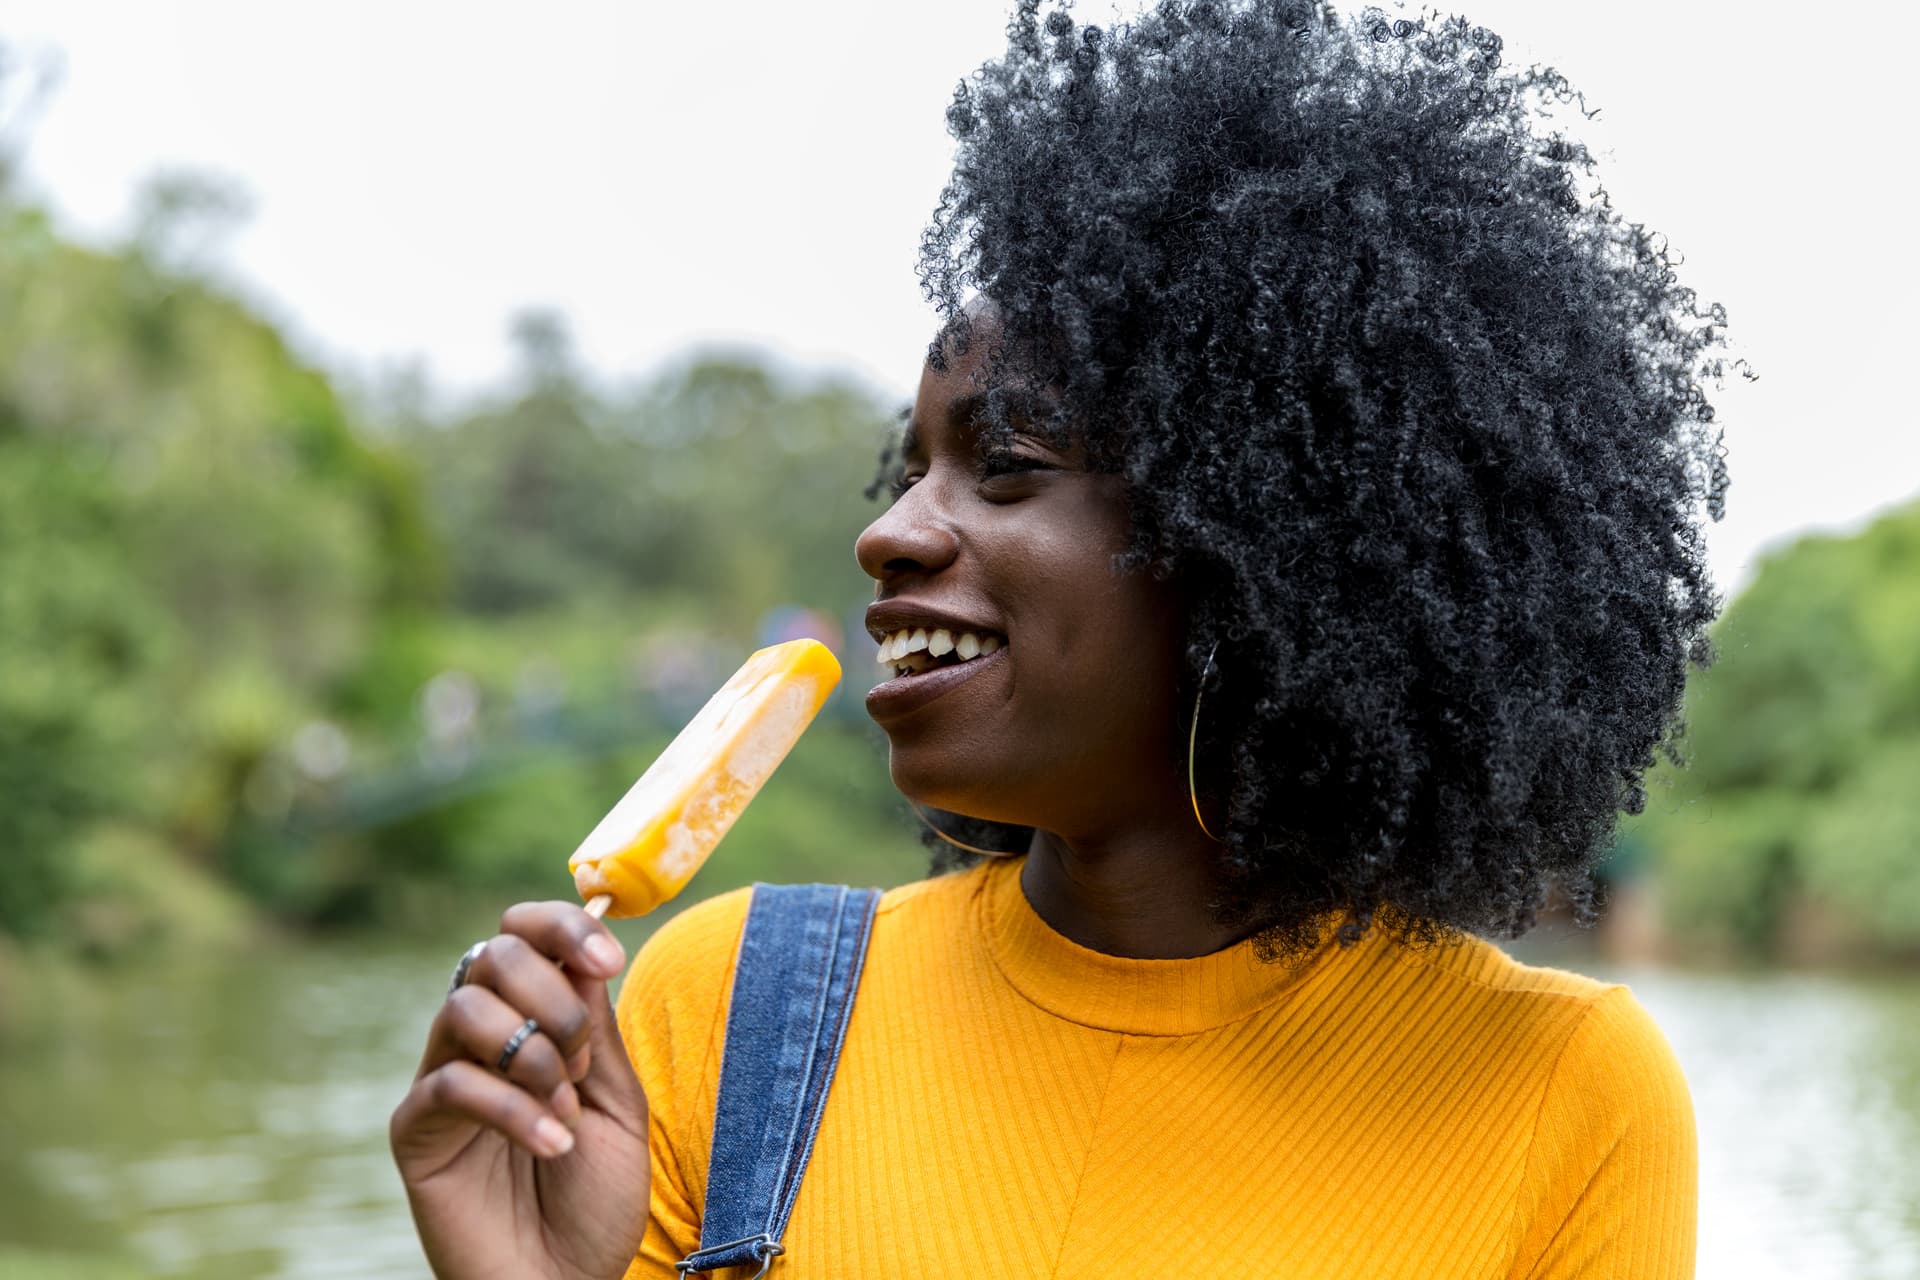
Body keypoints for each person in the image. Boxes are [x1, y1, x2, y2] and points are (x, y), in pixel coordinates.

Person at [391, 2, 1732, 1276]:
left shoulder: (1568, 1095)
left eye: (1007, 463)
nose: (891, 532)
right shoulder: (720, 1009)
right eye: (916, 466)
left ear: (1259, 534)